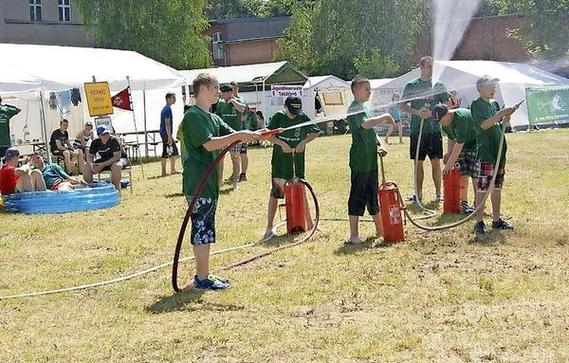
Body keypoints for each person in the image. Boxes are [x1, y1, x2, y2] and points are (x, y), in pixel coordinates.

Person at [181, 73, 260, 290]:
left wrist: (255, 134)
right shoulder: (193, 116)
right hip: (198, 182)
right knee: (201, 228)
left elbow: (234, 135)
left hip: (210, 183)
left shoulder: (213, 117)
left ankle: (204, 274)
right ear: (204, 89)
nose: (219, 91)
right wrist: (239, 136)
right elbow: (208, 144)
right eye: (215, 87)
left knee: (206, 228)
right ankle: (202, 278)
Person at [263, 96, 321, 240]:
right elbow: (266, 134)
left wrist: (303, 142)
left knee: (300, 189)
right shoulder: (279, 117)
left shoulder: (302, 117)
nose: (294, 114)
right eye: (291, 111)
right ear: (285, 107)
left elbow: (316, 131)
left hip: (298, 161)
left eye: (296, 110)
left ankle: (310, 223)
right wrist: (281, 144)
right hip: (281, 161)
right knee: (276, 191)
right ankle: (269, 228)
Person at [346, 77, 395, 244]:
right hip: (360, 162)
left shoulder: (364, 108)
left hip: (370, 161)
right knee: (357, 196)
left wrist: (380, 144)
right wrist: (384, 117)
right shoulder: (354, 109)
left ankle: (380, 231)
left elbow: (372, 132)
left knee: (373, 197)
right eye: (366, 89)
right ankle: (354, 235)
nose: (369, 92)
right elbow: (365, 124)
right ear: (357, 90)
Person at [471, 75, 517, 235]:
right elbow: (484, 125)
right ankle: (479, 222)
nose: (493, 89)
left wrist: (506, 118)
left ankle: (496, 220)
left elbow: (499, 124)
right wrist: (500, 114)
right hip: (486, 153)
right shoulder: (476, 105)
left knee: (497, 187)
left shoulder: (495, 104)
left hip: (499, 152)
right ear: (479, 88)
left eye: (494, 86)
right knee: (482, 189)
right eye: (490, 86)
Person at [400, 56, 449, 203]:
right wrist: (417, 112)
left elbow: (446, 105)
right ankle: (418, 194)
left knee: (435, 162)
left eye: (433, 67)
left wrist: (433, 113)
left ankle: (439, 194)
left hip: (434, 131)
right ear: (421, 68)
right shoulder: (411, 85)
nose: (431, 69)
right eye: (428, 66)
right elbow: (402, 105)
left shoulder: (439, 85)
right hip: (417, 131)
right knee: (418, 162)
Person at [432, 104, 477, 214]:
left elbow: (459, 144)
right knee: (462, 173)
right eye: (439, 122)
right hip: (461, 143)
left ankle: (478, 203)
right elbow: (452, 137)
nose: (441, 124)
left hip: (475, 143)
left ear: (448, 114)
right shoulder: (444, 122)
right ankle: (464, 202)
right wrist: (449, 153)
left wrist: (448, 166)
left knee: (475, 174)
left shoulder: (461, 119)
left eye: (442, 120)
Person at [216, 84, 246, 188]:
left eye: (223, 93)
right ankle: (219, 181)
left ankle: (234, 183)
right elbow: (218, 117)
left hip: (236, 134)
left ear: (230, 92)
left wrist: (233, 101)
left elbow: (242, 109)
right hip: (223, 135)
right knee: (220, 158)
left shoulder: (238, 101)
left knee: (235, 158)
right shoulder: (220, 103)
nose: (221, 94)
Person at [82, 125, 129, 191]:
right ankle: (91, 189)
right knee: (86, 167)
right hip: (105, 159)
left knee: (116, 166)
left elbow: (117, 156)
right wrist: (91, 165)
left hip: (120, 159)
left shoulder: (114, 140)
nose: (106, 135)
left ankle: (115, 190)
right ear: (99, 135)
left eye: (107, 133)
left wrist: (103, 164)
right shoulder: (95, 142)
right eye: (103, 134)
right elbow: (90, 156)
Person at [231, 81, 250, 182]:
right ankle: (235, 173)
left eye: (235, 88)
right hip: (233, 131)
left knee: (243, 153)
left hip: (242, 129)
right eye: (231, 89)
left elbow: (244, 116)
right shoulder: (227, 100)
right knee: (235, 154)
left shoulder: (241, 100)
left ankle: (243, 173)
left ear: (238, 88)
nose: (233, 90)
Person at [160, 92, 180, 177]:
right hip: (165, 133)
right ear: (168, 99)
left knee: (166, 151)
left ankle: (168, 170)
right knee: (173, 151)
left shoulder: (166, 108)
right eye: (173, 98)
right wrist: (169, 136)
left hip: (164, 133)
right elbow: (167, 123)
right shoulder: (167, 109)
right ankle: (169, 170)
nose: (174, 100)